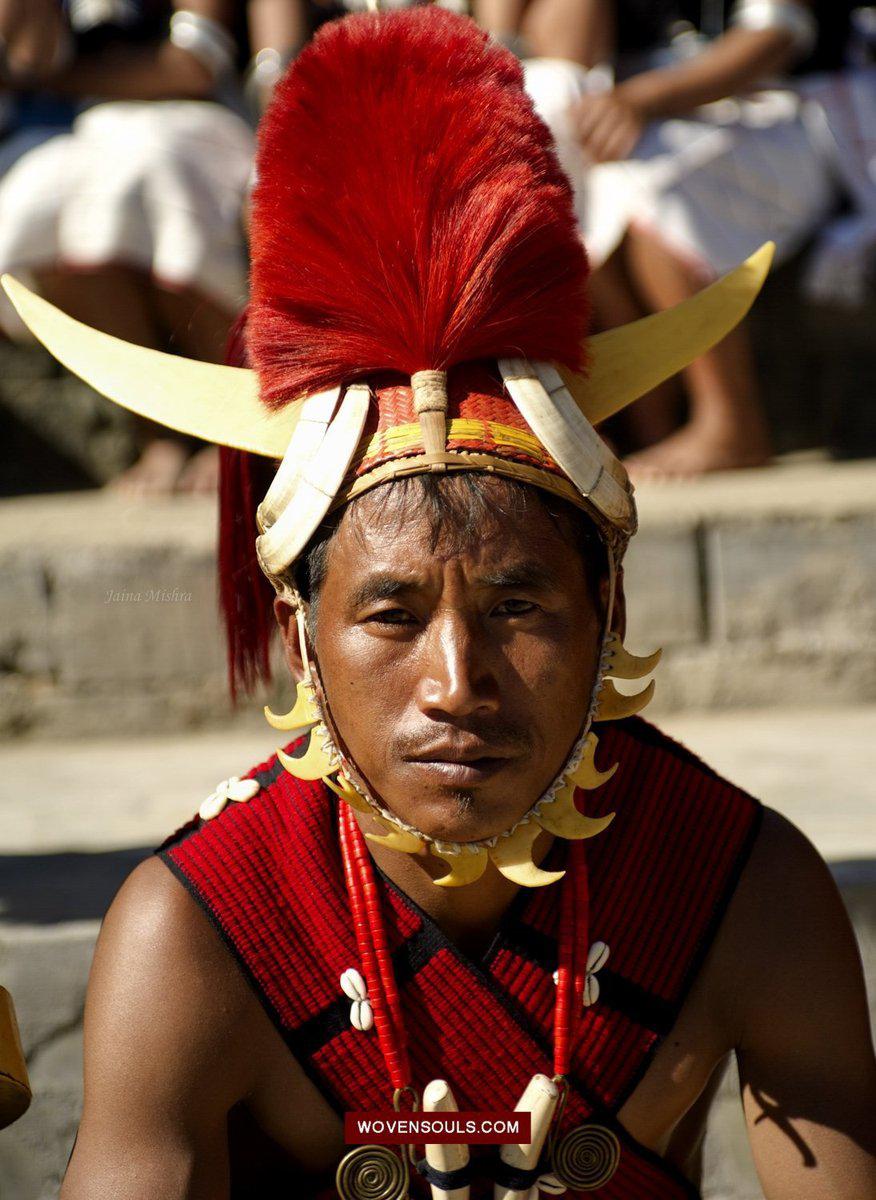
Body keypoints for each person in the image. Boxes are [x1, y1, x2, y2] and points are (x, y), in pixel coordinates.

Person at [6, 9, 874, 1198]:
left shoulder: (743, 886)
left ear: (608, 610)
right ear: (298, 632)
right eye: (393, 615)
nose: (456, 684)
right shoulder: (200, 930)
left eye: (518, 607)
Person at [479, 0, 851, 477]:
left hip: (767, 108)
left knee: (649, 182)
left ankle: (732, 422)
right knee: (549, 160)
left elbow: (776, 36)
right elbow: (556, 52)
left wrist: (642, 100)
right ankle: (645, 423)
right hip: (636, 112)